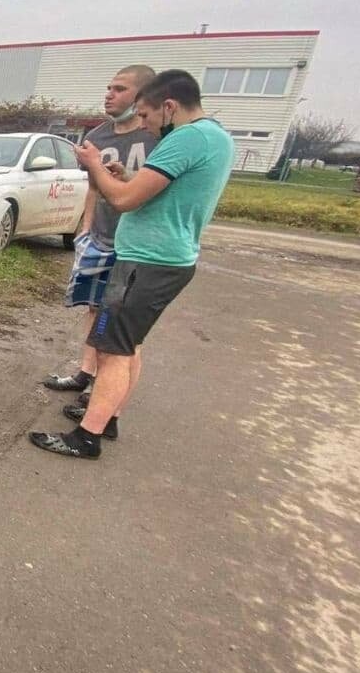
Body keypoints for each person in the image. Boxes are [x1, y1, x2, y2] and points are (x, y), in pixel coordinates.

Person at [30, 69, 235, 459]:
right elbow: (156, 190)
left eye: (146, 114)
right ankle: (107, 417)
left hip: (147, 261)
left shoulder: (187, 138)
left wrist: (94, 165)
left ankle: (86, 437)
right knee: (128, 345)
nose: (144, 123)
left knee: (112, 348)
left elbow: (124, 201)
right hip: (167, 258)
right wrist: (127, 176)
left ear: (169, 106)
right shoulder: (217, 136)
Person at [43, 65, 157, 396]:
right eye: (108, 87)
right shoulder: (96, 138)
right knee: (95, 307)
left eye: (119, 89)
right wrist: (86, 228)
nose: (109, 94)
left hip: (137, 243)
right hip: (100, 238)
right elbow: (93, 187)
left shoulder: (156, 138)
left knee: (120, 318)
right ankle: (85, 373)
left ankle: (105, 390)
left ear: (141, 97)